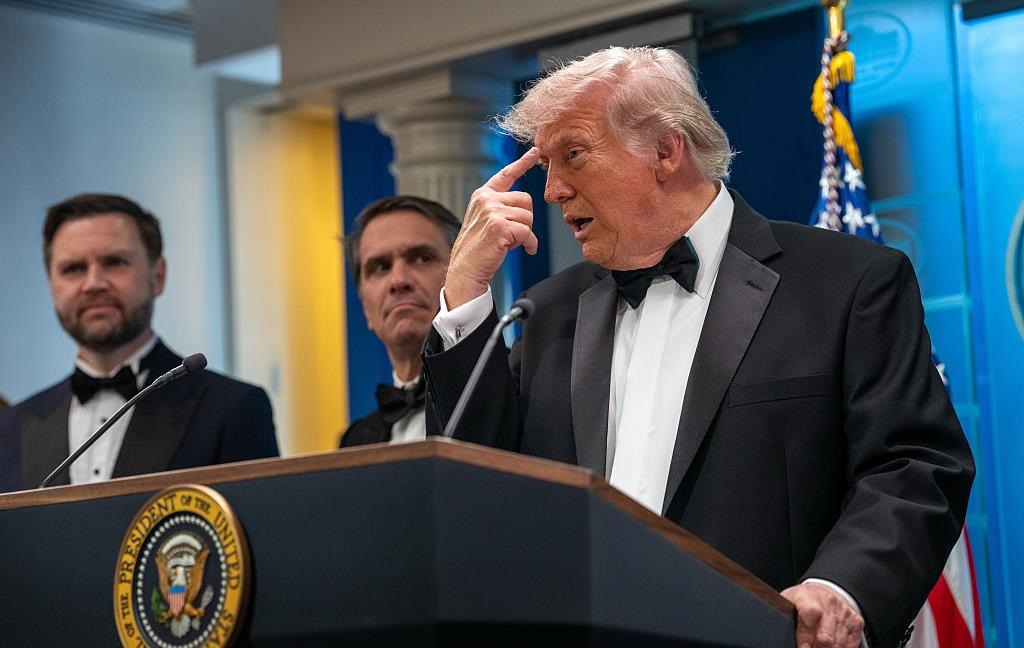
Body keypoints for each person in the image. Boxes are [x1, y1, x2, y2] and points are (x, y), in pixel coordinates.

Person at [422, 47, 974, 648]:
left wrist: (841, 588)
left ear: (666, 150)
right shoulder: (549, 311)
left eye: (573, 154)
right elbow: (479, 493)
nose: (552, 190)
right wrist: (464, 291)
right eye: (546, 164)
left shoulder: (846, 282)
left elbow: (914, 466)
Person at [0, 194, 278, 493]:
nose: (93, 283)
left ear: (158, 276)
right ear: (51, 284)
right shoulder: (11, 427)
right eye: (73, 269)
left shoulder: (233, 409)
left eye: (115, 262)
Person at [339, 196, 460, 447]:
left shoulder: (517, 392)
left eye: (422, 258)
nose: (399, 280)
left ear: (463, 274)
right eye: (380, 267)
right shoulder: (353, 442)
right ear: (365, 308)